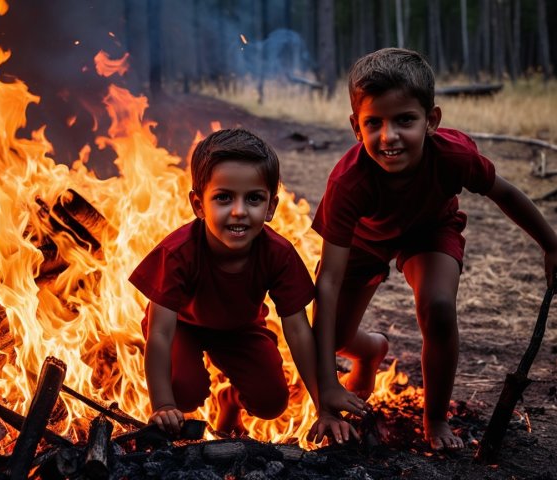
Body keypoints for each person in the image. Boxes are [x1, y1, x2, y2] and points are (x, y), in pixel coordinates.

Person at [307, 47, 557, 450]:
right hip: (364, 244)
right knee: (334, 338)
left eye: (405, 120)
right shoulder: (347, 184)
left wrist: (551, 245)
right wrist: (326, 395)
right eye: (374, 123)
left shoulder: (454, 156)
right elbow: (329, 281)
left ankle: (435, 417)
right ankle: (372, 350)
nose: (389, 136)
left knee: (439, 308)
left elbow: (506, 194)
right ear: (357, 127)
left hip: (429, 231)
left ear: (431, 120)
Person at [129, 128, 346, 438]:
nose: (239, 211)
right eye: (223, 197)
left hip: (240, 328)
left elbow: (298, 330)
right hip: (183, 327)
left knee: (272, 403)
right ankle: (179, 396)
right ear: (198, 204)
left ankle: (229, 402)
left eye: (254, 198)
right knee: (184, 395)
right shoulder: (178, 253)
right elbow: (161, 332)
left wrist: (324, 407)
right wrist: (162, 404)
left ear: (271, 206)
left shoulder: (279, 254)